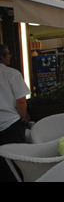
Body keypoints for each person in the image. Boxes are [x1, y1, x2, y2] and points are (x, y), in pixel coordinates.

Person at [0, 44, 31, 182]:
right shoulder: (11, 74)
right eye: (8, 53)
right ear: (1, 57)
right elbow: (21, 101)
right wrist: (23, 115)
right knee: (18, 160)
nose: (10, 56)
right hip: (11, 123)